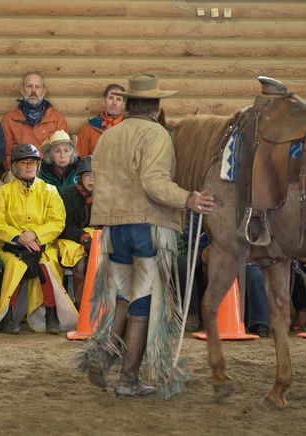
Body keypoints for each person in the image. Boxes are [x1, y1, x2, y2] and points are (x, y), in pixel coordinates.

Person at [81, 73, 215, 398]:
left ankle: (105, 356)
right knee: (142, 303)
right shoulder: (156, 134)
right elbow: (154, 182)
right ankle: (127, 379)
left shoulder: (109, 136)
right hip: (146, 227)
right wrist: (189, 199)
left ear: (128, 103)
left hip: (113, 229)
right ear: (155, 106)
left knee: (125, 297)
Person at [0, 143, 78, 335]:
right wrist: (19, 237)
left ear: (38, 166)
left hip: (42, 246)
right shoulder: (4, 192)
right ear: (15, 167)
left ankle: (51, 315)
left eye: (32, 162)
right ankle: (8, 316)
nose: (29, 166)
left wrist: (35, 235)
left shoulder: (50, 191)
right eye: (24, 163)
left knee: (48, 265)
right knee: (14, 266)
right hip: (10, 247)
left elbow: (57, 221)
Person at [0, 71, 67, 170]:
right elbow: (6, 155)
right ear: (22, 90)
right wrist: (17, 172)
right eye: (29, 86)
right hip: (19, 171)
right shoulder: (8, 120)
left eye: (37, 87)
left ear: (44, 91)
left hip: (49, 172)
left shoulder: (57, 119)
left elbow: (62, 153)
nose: (33, 91)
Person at [57, 156, 95, 308]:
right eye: (88, 175)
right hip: (72, 238)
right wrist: (83, 238)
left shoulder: (106, 195)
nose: (92, 179)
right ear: (80, 178)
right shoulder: (68, 194)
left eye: (96, 175)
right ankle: (82, 308)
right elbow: (64, 226)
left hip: (97, 237)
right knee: (81, 263)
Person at [76, 83, 126, 157]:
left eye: (118, 99)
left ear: (123, 104)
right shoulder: (88, 129)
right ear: (104, 101)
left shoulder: (131, 128)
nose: (114, 103)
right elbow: (81, 161)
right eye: (111, 98)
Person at [38, 130, 79, 195]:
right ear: (50, 154)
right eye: (57, 151)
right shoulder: (41, 172)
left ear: (71, 153)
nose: (62, 155)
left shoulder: (79, 169)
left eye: (66, 151)